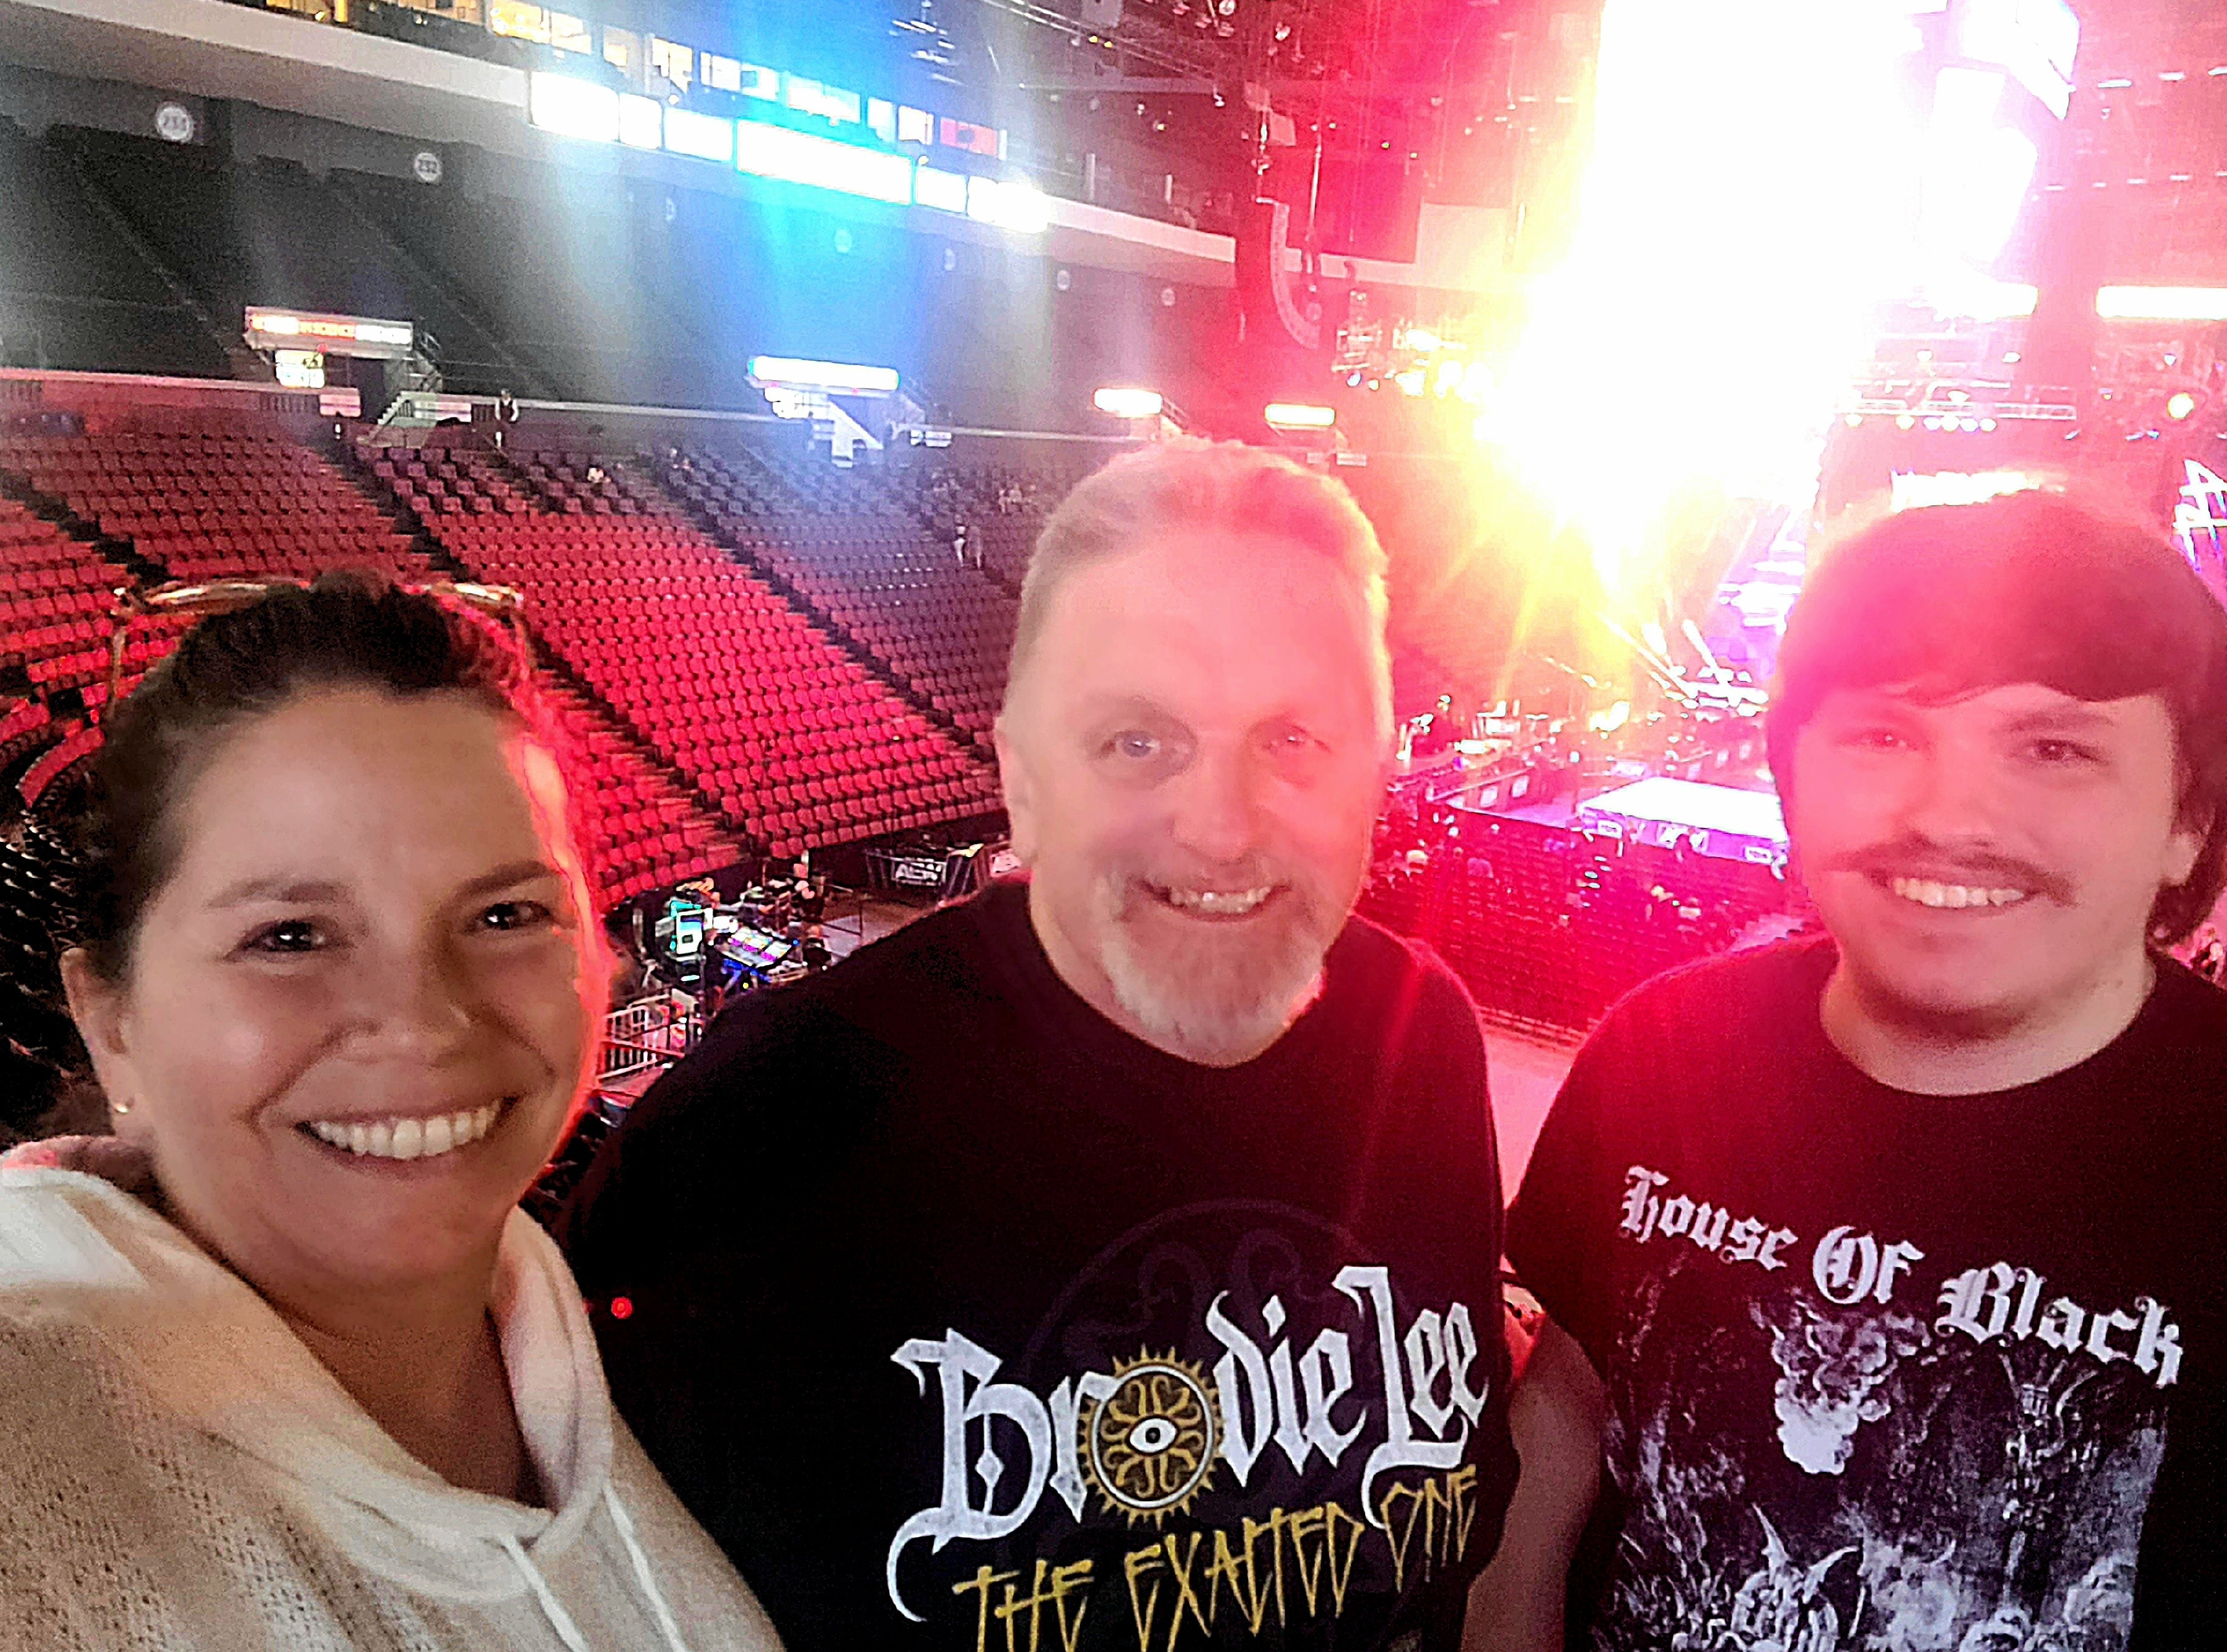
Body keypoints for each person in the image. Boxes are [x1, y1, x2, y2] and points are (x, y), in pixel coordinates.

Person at [559, 440, 1519, 1651]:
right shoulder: (771, 1116)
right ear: (1021, 775)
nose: (1222, 829)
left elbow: (1464, 1504)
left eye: (1295, 740)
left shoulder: (1416, 1035)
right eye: (1137, 741)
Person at [1475, 492, 2227, 1650]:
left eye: (2056, 748)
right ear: (1791, 777)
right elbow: (1568, 1410)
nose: (1951, 815)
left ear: (2187, 821)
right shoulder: (1666, 1053)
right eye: (1885, 735)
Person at [0, 578, 780, 1650]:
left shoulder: (668, 1367)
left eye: (506, 914)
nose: (422, 1025)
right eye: (290, 937)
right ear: (110, 1019)